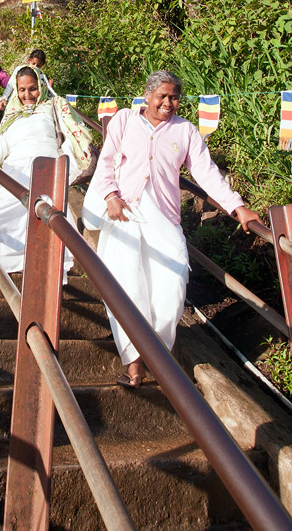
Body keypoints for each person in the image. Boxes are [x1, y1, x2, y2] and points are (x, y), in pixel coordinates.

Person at [89, 70, 261, 388]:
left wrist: (238, 207)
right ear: (147, 95)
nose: (168, 102)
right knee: (128, 288)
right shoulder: (124, 121)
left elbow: (207, 174)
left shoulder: (185, 131)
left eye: (174, 97)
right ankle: (135, 365)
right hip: (125, 216)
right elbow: (104, 166)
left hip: (165, 221)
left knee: (171, 287)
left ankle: (157, 357)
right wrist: (111, 196)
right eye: (162, 96)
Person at [0, 65, 94, 299]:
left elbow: (71, 140)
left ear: (41, 87)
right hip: (13, 176)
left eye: (32, 89)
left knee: (49, 224)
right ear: (16, 91)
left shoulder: (53, 109)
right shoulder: (11, 118)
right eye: (22, 90)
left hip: (46, 171)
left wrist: (64, 172)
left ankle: (44, 292)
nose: (28, 95)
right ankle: (1, 273)